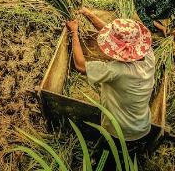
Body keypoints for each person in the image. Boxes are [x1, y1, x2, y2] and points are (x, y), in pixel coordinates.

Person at [66, 9, 155, 168]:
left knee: (103, 162)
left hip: (119, 133)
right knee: (128, 159)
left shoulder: (117, 71)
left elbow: (79, 65)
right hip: (142, 127)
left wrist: (74, 32)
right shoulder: (148, 55)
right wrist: (90, 15)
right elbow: (115, 36)